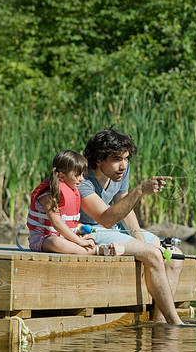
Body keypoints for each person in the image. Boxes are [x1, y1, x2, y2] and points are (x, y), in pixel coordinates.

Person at [79, 128, 186, 325]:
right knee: (153, 255)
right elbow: (106, 219)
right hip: (89, 231)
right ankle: (176, 323)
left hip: (110, 229)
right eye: (117, 159)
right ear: (99, 159)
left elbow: (124, 208)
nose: (123, 165)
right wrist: (139, 191)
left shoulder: (120, 172)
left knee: (174, 256)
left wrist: (142, 243)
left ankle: (161, 323)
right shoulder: (83, 180)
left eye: (127, 158)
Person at [27, 150, 124, 256]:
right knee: (56, 242)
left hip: (67, 237)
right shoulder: (48, 196)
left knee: (89, 234)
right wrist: (79, 241)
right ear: (61, 176)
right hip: (44, 239)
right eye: (77, 175)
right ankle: (97, 250)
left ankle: (96, 247)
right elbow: (57, 223)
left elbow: (69, 222)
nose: (82, 179)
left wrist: (81, 229)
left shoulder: (72, 192)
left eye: (82, 174)